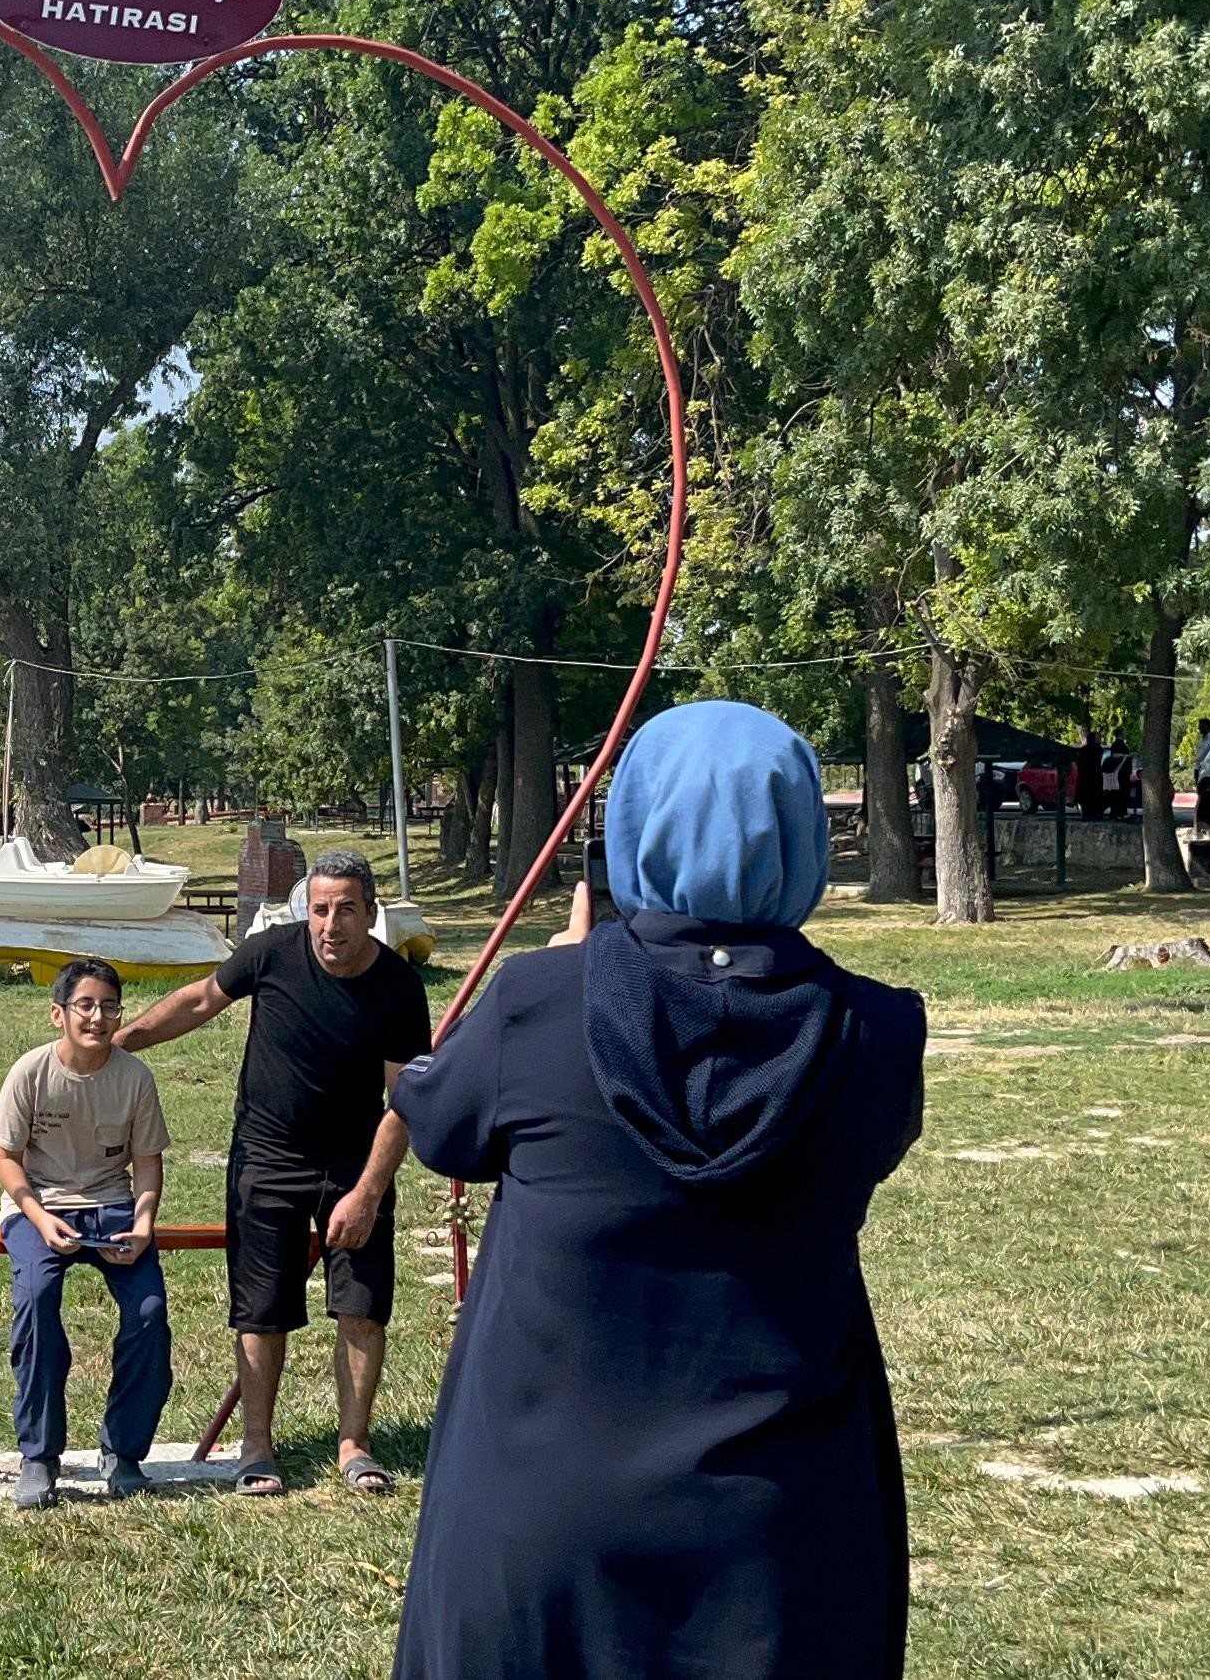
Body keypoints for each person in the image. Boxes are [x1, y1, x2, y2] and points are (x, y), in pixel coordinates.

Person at [388, 701, 926, 1679]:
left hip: (541, 1526)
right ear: (803, 836)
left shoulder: (534, 1004)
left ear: (633, 826)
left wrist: (554, 978)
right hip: (782, 1543)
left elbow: (437, 1123)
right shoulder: (877, 1035)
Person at [115, 848, 428, 1497]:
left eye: (346, 910)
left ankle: (354, 1444)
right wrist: (119, 1044)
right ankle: (257, 1445)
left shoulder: (399, 985)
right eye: (320, 910)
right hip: (268, 1154)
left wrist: (368, 1193)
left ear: (371, 913)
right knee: (260, 1311)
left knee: (362, 1308)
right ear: (305, 912)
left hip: (355, 1162)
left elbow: (404, 1101)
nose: (331, 924)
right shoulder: (273, 953)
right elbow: (199, 1002)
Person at [0, 956, 174, 1509]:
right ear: (58, 1014)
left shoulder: (134, 1078)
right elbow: (5, 1158)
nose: (98, 1017)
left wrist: (143, 1224)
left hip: (113, 1205)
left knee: (148, 1312)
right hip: (38, 1205)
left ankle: (124, 1451)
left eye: (109, 1006)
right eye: (85, 1005)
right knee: (37, 1298)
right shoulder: (31, 1072)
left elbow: (147, 1163)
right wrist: (40, 1217)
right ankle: (39, 1456)